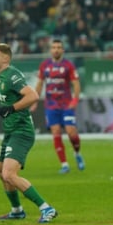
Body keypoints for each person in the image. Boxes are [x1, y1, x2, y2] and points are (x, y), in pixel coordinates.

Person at [0, 43, 58, 224]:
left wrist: (11, 108)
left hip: (21, 132)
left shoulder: (12, 74)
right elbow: (3, 86)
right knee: (0, 172)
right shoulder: (3, 75)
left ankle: (46, 208)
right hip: (10, 132)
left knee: (9, 174)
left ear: (6, 58)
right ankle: (17, 211)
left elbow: (33, 95)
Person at [30, 39, 85, 173]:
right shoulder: (44, 65)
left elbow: (76, 84)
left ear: (62, 50)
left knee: (71, 132)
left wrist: (75, 100)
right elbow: (40, 83)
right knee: (56, 131)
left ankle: (77, 153)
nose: (56, 50)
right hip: (51, 105)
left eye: (59, 47)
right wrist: (34, 100)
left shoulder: (68, 65)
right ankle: (64, 164)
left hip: (66, 105)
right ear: (50, 50)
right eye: (54, 47)